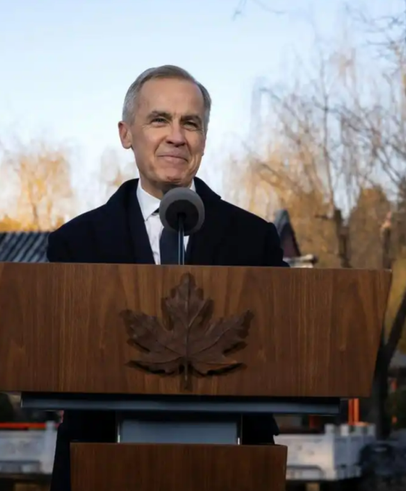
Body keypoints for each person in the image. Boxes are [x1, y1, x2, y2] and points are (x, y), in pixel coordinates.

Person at [46, 65, 288, 491]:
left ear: (203, 140)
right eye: (159, 120)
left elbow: (284, 349)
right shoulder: (77, 243)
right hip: (101, 465)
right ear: (126, 134)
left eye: (190, 123)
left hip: (232, 467)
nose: (176, 136)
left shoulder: (254, 239)